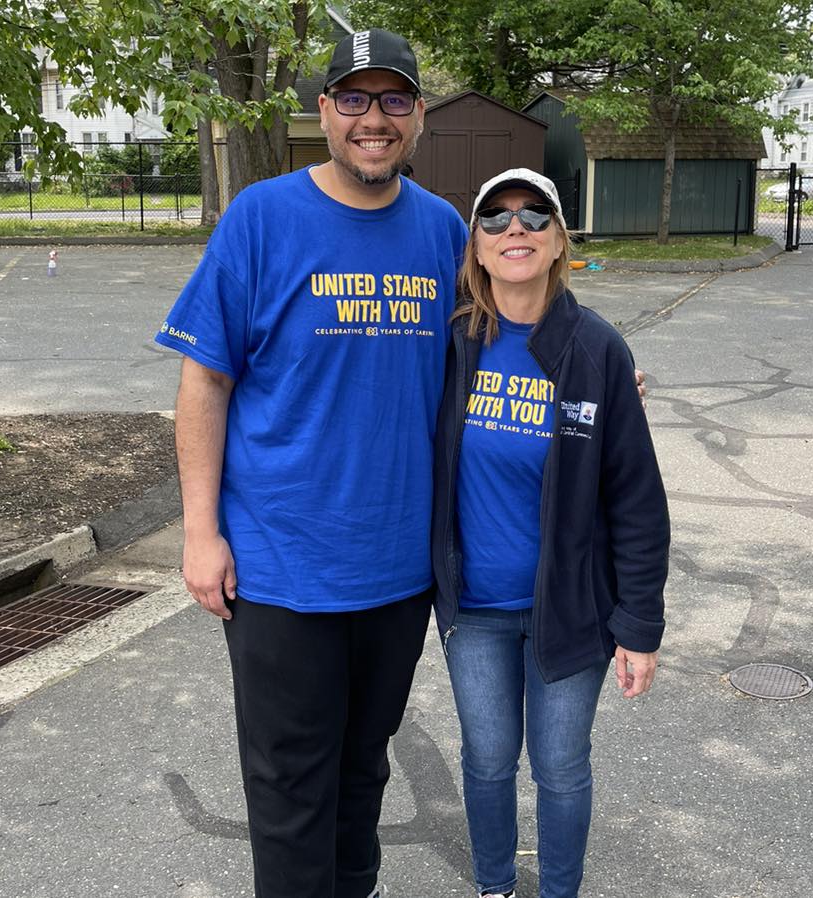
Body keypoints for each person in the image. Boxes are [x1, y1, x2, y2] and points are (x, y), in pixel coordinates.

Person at [154, 29, 468, 898]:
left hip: (399, 569)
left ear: (419, 116)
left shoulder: (442, 232)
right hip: (280, 567)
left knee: (362, 772)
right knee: (291, 786)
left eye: (395, 99)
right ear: (324, 112)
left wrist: (593, 362)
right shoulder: (261, 217)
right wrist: (199, 532)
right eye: (356, 100)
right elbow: (205, 380)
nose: (376, 118)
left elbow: (510, 334)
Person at [430, 168, 671, 898]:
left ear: (561, 240)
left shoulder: (598, 350)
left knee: (561, 766)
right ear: (475, 246)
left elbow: (637, 500)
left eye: (536, 217)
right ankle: (494, 887)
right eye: (496, 220)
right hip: (475, 608)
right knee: (488, 757)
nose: (516, 231)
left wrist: (640, 626)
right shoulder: (449, 345)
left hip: (571, 609)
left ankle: (559, 891)